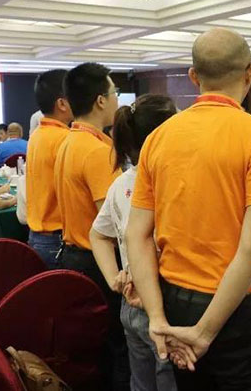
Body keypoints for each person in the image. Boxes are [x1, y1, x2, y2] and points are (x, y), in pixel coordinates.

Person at [125, 28, 251, 389]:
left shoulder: (158, 137)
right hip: (234, 315)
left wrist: (157, 317)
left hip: (172, 302)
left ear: (193, 76)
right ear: (250, 74)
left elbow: (135, 235)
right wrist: (204, 332)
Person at [90, 94, 178, 391]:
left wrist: (114, 276)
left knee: (141, 385)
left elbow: (98, 235)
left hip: (132, 305)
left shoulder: (122, 182)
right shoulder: (167, 182)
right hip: (162, 306)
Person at [54, 62, 128, 391]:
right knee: (120, 349)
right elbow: (114, 223)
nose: (116, 100)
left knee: (98, 348)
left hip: (73, 255)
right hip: (98, 262)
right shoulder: (98, 152)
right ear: (100, 100)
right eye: (115, 93)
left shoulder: (68, 141)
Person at [26, 69, 73, 268]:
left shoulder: (38, 134)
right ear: (62, 103)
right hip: (57, 239)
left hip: (39, 236)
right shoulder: (64, 138)